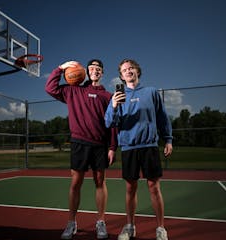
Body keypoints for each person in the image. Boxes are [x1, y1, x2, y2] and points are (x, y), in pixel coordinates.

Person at [45, 59, 117, 239]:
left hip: (100, 145)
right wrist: (60, 68)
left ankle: (100, 222)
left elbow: (113, 123)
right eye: (92, 68)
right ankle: (71, 223)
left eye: (98, 69)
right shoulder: (73, 90)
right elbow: (50, 88)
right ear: (86, 71)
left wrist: (112, 147)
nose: (95, 71)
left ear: (102, 73)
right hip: (79, 143)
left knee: (100, 182)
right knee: (75, 183)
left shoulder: (108, 96)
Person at [104, 59, 173, 240]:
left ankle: (161, 228)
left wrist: (168, 139)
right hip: (129, 147)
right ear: (121, 75)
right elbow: (109, 122)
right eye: (124, 70)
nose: (128, 71)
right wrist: (113, 106)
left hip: (149, 146)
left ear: (137, 71)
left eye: (131, 68)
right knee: (130, 188)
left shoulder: (151, 92)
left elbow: (162, 117)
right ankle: (130, 226)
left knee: (154, 187)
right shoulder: (117, 97)